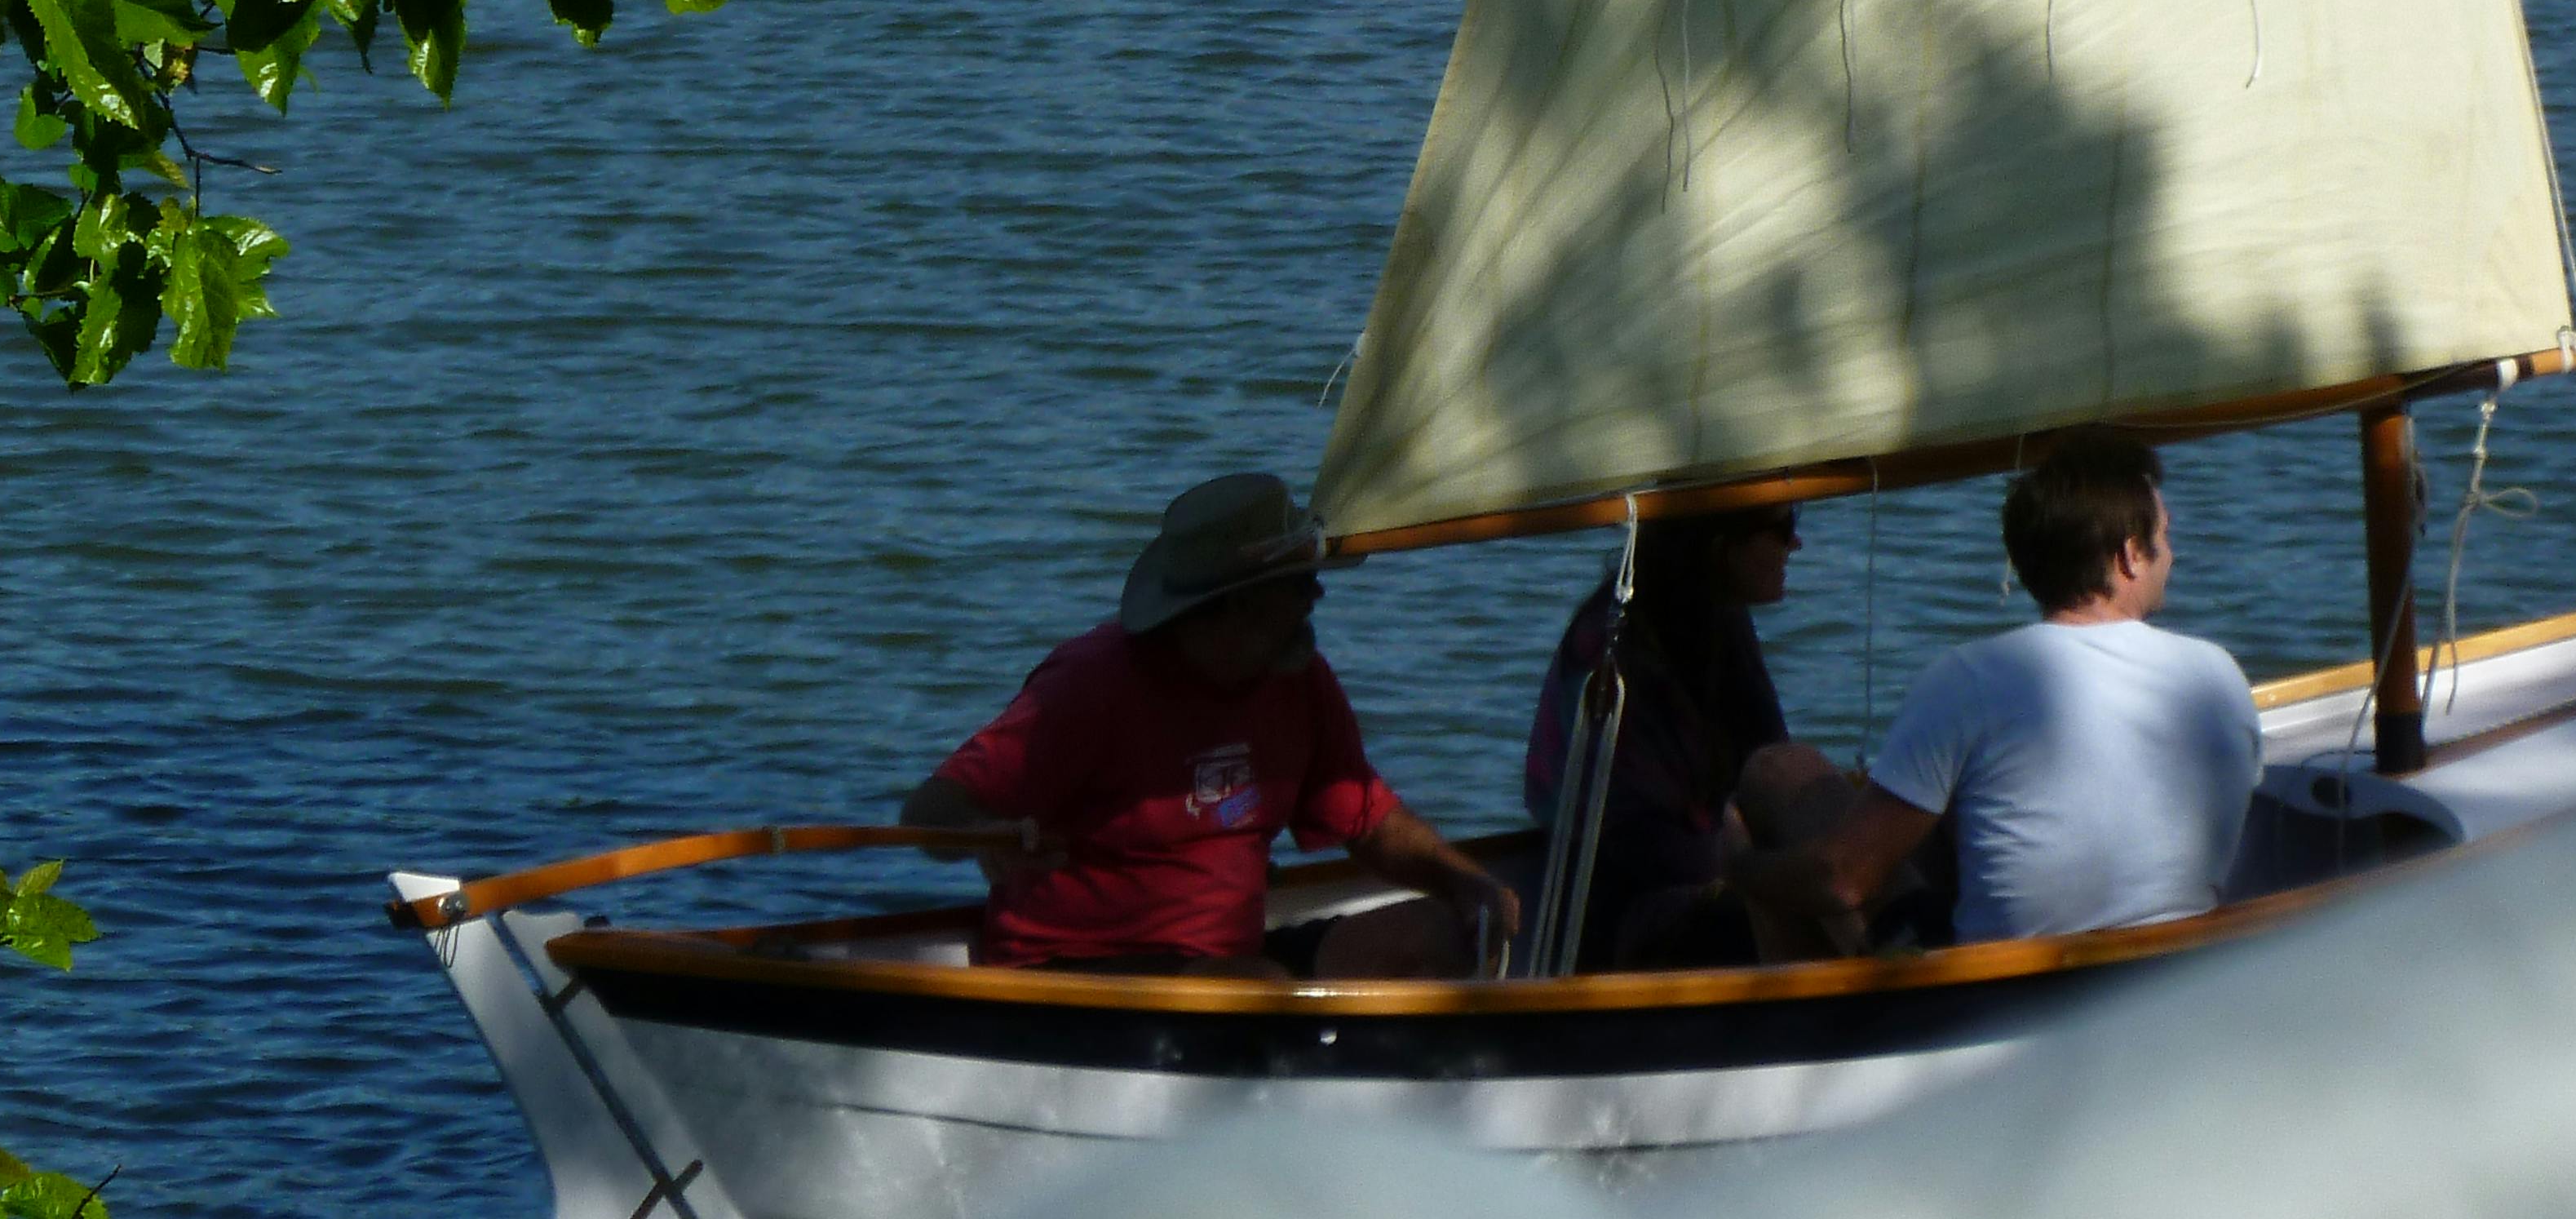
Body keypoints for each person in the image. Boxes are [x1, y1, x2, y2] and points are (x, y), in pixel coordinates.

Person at [900, 472, 1523, 978]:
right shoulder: (1090, 685)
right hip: (1084, 971)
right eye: (1299, 583)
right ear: (1232, 608)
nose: (1317, 599)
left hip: (1232, 964)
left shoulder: (1300, 679)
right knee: (1255, 986)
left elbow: (1366, 819)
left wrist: (1465, 884)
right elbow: (930, 812)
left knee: (1448, 936)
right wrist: (986, 835)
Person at [1737, 432, 2260, 950]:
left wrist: (1740, 872)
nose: (2171, 554)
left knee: (1780, 773)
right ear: (2128, 556)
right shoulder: (2218, 677)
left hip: (2003, 999)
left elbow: (1844, 880)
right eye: (2164, 537)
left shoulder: (1969, 679)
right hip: (2181, 973)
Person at [1520, 504, 1850, 969]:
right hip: (1628, 920)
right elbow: (1633, 844)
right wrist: (1775, 873)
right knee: (1810, 901)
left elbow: (1768, 771)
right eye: (1783, 528)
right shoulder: (1614, 649)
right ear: (1721, 548)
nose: (1796, 544)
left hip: (1703, 872)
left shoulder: (1714, 622)